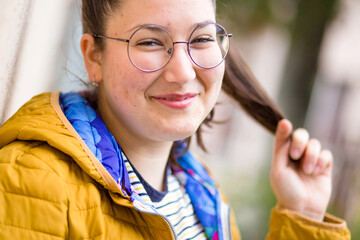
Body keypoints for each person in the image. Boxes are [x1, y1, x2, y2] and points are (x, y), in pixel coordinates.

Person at [0, 0, 351, 239]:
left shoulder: (201, 195)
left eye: (200, 38)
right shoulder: (31, 182)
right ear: (94, 57)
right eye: (150, 42)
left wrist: (302, 215)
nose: (183, 72)